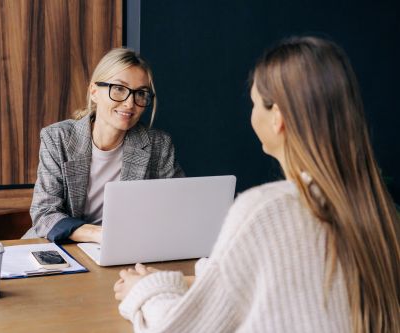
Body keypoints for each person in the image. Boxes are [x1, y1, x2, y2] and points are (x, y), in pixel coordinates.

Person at [113, 37, 399, 333]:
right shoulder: (378, 210)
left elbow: (178, 327)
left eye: (253, 103)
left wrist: (145, 290)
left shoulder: (267, 210)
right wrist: (185, 281)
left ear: (278, 118)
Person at [22, 48, 184, 244]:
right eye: (119, 88)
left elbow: (175, 209)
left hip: (125, 249)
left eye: (140, 93)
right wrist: (99, 234)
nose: (129, 103)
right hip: (61, 246)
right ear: (94, 92)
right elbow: (44, 213)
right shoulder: (58, 138)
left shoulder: (159, 145)